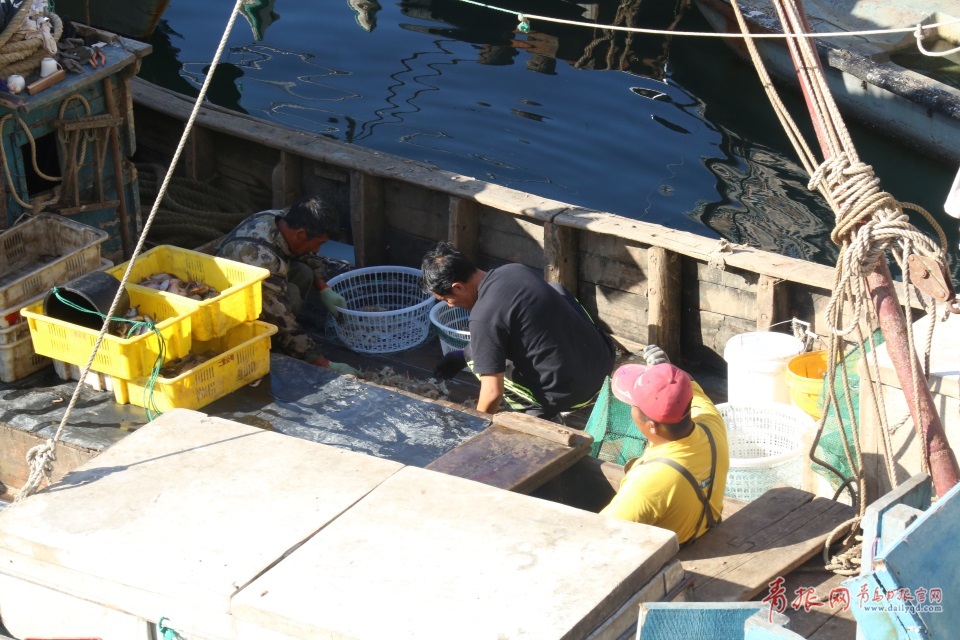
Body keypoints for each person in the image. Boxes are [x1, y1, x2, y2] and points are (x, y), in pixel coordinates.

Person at [422, 241, 615, 420]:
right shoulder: (514, 270)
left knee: (476, 356)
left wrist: (476, 428)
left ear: (458, 288)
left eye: (445, 300)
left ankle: (539, 412)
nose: (448, 306)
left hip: (574, 394)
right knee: (555, 289)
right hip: (604, 362)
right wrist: (460, 355)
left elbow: (492, 393)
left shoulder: (482, 317)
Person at [216, 195, 359, 375]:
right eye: (320, 244)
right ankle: (273, 344)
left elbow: (308, 254)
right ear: (300, 234)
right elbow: (282, 320)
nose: (318, 250)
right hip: (231, 313)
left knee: (304, 272)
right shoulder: (263, 261)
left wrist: (324, 289)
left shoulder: (278, 218)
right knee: (290, 294)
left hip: (259, 285)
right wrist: (324, 364)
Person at [601, 345, 729, 546]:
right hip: (704, 527)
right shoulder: (711, 423)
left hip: (674, 558)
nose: (631, 409)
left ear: (652, 426)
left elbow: (601, 535)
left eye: (633, 405)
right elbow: (690, 386)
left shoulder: (647, 484)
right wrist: (666, 372)